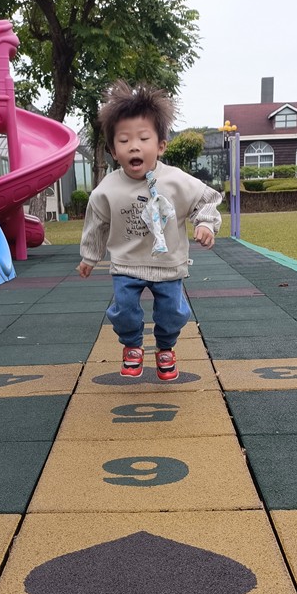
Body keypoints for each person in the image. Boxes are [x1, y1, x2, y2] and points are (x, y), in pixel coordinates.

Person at [77, 81, 222, 381]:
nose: (134, 146)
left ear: (160, 145)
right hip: (127, 264)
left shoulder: (176, 180)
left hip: (168, 264)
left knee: (173, 313)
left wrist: (206, 224)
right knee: (124, 310)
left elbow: (206, 199)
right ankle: (132, 345)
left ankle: (166, 347)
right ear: (113, 151)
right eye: (124, 140)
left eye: (143, 138)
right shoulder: (108, 189)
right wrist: (89, 256)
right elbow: (97, 222)